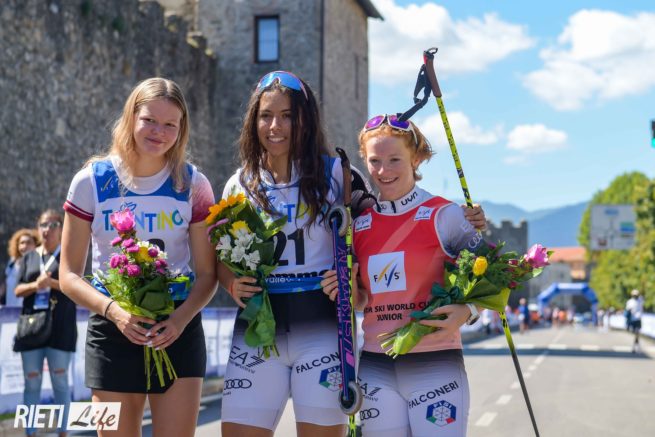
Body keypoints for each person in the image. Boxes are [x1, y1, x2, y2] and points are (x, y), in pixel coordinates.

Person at [59, 78, 217, 436]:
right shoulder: (90, 181)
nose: (159, 132)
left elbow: (208, 275)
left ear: (182, 129)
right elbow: (68, 275)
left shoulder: (193, 184)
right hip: (113, 328)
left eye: (170, 124)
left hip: (175, 329)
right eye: (149, 120)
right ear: (131, 117)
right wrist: (115, 313)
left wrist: (179, 321)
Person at [217, 70, 370, 437]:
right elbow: (220, 255)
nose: (276, 126)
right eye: (266, 116)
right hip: (259, 327)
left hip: (322, 326)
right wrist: (231, 283)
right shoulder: (240, 183)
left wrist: (354, 279)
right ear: (253, 121)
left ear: (306, 118)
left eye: (287, 116)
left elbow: (375, 242)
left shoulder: (339, 174)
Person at [321, 114, 487, 436]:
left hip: (436, 363)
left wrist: (469, 311)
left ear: (416, 158)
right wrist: (347, 290)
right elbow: (363, 300)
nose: (384, 171)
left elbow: (497, 273)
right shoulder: (358, 226)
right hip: (376, 365)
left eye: (394, 160)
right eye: (375, 161)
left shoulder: (445, 215)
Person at [14, 210, 76, 437]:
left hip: (60, 328)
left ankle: (63, 431)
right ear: (38, 228)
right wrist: (36, 285)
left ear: (61, 229)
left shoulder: (68, 255)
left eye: (52, 225)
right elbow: (18, 290)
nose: (47, 229)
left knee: (60, 382)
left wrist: (52, 283)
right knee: (31, 384)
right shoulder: (29, 257)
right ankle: (30, 432)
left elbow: (78, 289)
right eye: (43, 225)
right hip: (32, 328)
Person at [3, 228, 38, 307]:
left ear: (36, 245)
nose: (25, 246)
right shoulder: (12, 262)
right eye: (22, 243)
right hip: (10, 309)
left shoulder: (38, 263)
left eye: (29, 243)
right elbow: (6, 284)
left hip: (27, 309)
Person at [625, 289, 644, 353]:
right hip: (632, 320)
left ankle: (635, 346)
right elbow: (628, 311)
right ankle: (635, 346)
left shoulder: (640, 300)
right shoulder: (630, 302)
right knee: (635, 333)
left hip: (638, 319)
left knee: (637, 333)